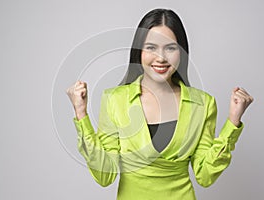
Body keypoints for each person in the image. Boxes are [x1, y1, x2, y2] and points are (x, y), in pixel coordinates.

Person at [66, 8, 253, 200]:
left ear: (181, 52)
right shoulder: (115, 99)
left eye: (170, 48)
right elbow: (105, 175)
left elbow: (205, 175)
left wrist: (233, 122)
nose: (161, 58)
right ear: (139, 51)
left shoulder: (203, 104)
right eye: (151, 47)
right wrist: (81, 115)